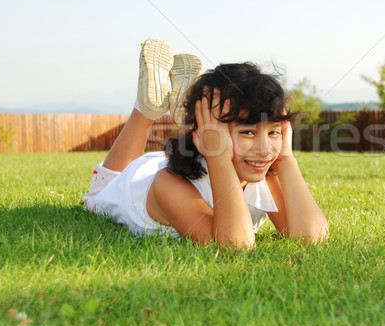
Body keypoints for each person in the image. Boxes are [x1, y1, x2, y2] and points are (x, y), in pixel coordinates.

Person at [83, 38, 329, 248]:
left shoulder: (262, 170)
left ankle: (188, 115)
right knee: (104, 186)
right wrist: (218, 157)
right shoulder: (169, 185)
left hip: (195, 154)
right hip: (134, 182)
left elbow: (312, 237)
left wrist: (286, 160)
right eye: (247, 133)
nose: (265, 149)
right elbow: (236, 245)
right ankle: (145, 111)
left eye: (274, 133)